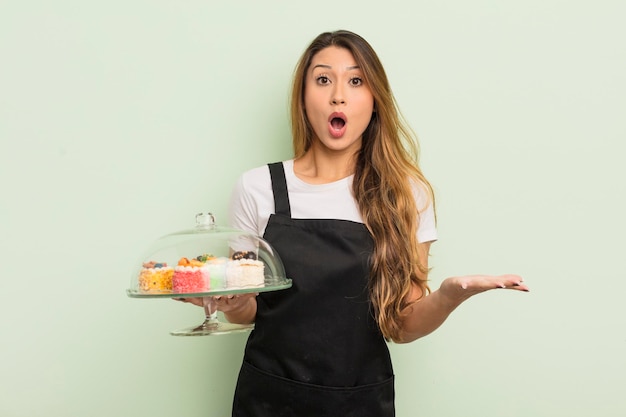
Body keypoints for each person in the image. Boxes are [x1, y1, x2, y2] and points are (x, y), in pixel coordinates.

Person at [181, 29, 528, 416]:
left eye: (356, 80)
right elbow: (250, 311)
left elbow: (402, 325)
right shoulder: (257, 187)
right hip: (269, 398)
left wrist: (449, 296)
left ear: (375, 100)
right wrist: (232, 301)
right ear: (303, 97)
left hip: (359, 402)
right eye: (323, 79)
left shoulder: (405, 194)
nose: (338, 95)